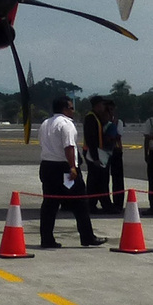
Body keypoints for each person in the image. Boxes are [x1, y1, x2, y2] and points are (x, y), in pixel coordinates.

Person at [37, 96, 105, 249]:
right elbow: (69, 147)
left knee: (49, 204)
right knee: (80, 202)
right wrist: (72, 167)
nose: (73, 111)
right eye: (71, 107)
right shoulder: (66, 124)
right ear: (64, 109)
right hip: (63, 167)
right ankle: (87, 236)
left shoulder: (45, 124)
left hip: (47, 166)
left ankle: (46, 238)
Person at [82, 96, 111, 213]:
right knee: (95, 180)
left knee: (100, 179)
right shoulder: (91, 118)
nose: (104, 107)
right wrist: (95, 158)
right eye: (103, 105)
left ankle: (100, 203)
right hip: (92, 153)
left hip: (96, 152)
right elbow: (91, 139)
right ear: (97, 105)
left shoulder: (96, 117)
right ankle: (92, 204)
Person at [100, 102, 127, 214]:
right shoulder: (101, 122)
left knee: (118, 178)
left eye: (112, 109)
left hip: (115, 150)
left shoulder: (118, 122)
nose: (110, 112)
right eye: (108, 110)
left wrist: (113, 126)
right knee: (104, 178)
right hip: (105, 151)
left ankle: (118, 203)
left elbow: (118, 136)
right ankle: (106, 202)